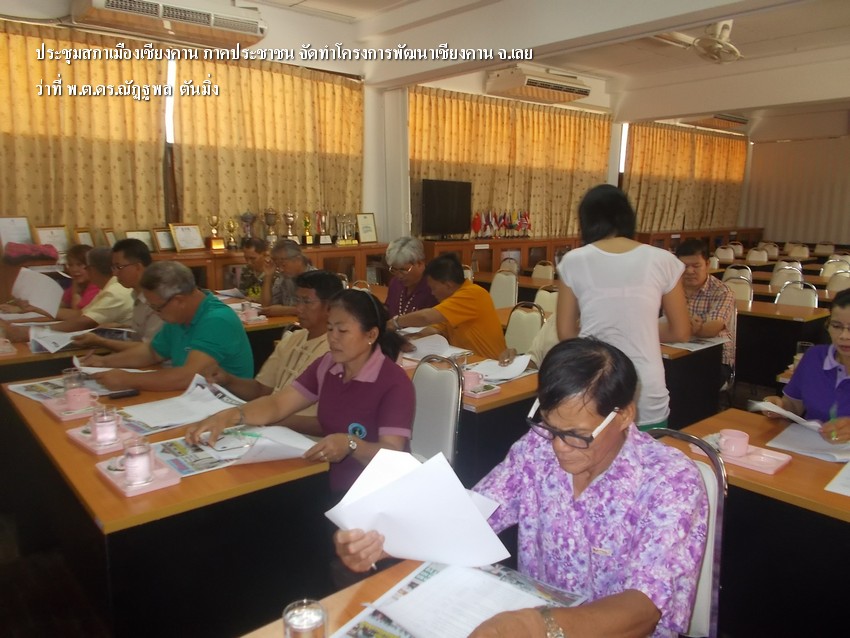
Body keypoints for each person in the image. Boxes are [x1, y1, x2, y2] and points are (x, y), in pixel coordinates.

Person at [335, 338, 708, 637]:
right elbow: (469, 519)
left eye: (577, 435)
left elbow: (644, 609)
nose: (558, 447)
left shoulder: (669, 481)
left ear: (624, 415)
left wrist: (539, 626)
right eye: (550, 426)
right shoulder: (537, 450)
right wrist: (383, 539)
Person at [185, 289, 415, 494]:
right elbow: (278, 404)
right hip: (323, 476)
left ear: (371, 335)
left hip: (370, 490)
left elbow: (392, 455)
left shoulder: (393, 382)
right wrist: (230, 415)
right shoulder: (328, 365)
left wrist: (351, 445)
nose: (332, 338)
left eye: (342, 330)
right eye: (330, 328)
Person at [557, 184, 691, 429]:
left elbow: (566, 333)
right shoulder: (663, 260)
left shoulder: (573, 261)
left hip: (594, 382)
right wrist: (640, 329)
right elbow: (681, 332)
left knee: (594, 451)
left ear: (586, 221)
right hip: (646, 386)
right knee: (647, 453)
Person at [79, 261, 253, 392]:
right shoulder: (179, 317)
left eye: (157, 307)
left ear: (179, 300)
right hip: (190, 398)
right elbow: (152, 352)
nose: (156, 313)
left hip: (224, 405)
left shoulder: (217, 320)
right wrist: (104, 362)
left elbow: (188, 376)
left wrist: (129, 379)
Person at [204, 270, 343, 428]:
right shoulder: (293, 339)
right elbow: (261, 390)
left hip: (302, 435)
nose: (298, 308)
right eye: (297, 300)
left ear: (330, 306)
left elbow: (327, 423)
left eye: (306, 301)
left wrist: (266, 418)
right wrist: (228, 380)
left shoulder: (338, 351)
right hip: (272, 424)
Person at [762, 288, 850, 444]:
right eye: (836, 326)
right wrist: (779, 407)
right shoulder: (814, 357)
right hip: (810, 446)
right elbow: (794, 406)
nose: (844, 336)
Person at [387, 254, 507, 360]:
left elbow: (426, 317)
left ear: (448, 285)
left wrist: (395, 322)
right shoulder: (452, 302)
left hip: (491, 364)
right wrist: (414, 338)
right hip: (469, 362)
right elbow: (436, 328)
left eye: (434, 288)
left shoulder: (473, 294)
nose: (432, 293)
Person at [1, 247, 134, 342]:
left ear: (91, 269)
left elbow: (83, 323)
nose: (74, 270)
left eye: (81, 265)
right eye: (70, 265)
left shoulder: (115, 291)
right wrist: (34, 310)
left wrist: (29, 332)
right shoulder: (108, 287)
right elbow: (80, 314)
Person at [72, 238, 163, 351]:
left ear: (137, 267)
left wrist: (100, 341)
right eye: (113, 267)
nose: (115, 273)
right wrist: (122, 326)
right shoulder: (136, 294)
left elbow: (149, 350)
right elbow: (142, 330)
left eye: (119, 267)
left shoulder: (157, 299)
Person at [675, 238, 736, 386]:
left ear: (707, 264)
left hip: (715, 358)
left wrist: (689, 326)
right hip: (677, 352)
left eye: (696, 266)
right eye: (684, 266)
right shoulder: (671, 288)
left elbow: (713, 328)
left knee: (687, 382)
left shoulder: (722, 291)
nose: (689, 271)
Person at [1, 244, 100, 319]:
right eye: (70, 265)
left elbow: (77, 314)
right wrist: (23, 308)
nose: (74, 269)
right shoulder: (79, 284)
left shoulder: (95, 286)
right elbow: (57, 305)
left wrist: (76, 293)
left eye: (79, 265)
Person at [384, 236, 437, 318]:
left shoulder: (434, 287)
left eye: (403, 270)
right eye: (394, 269)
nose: (399, 276)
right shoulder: (395, 283)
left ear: (420, 263)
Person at [261, 239, 315, 316]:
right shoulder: (283, 278)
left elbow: (316, 310)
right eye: (278, 266)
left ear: (298, 259)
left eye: (283, 265)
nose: (281, 270)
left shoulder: (315, 278)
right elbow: (266, 306)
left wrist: (286, 310)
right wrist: (268, 276)